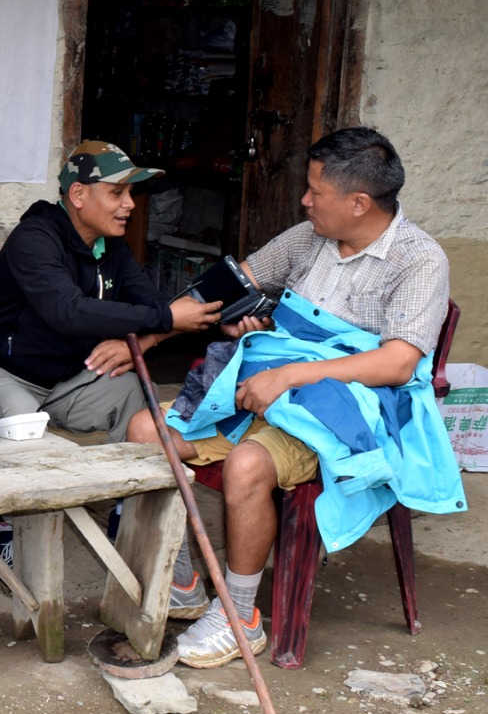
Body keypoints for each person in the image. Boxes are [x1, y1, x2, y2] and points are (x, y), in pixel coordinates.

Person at [127, 127, 452, 668]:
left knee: (248, 465)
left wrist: (292, 373)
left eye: (315, 191)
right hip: (266, 390)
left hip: (339, 413)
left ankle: (239, 615)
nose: (304, 200)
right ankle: (181, 582)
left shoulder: (419, 260)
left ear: (359, 202)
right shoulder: (308, 239)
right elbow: (234, 283)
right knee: (145, 430)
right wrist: (152, 335)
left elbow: (398, 363)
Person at [0, 141, 222, 562]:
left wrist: (157, 330)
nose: (130, 204)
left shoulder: (111, 248)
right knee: (26, 427)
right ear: (78, 194)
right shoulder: (35, 238)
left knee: (133, 391)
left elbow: (153, 304)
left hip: (68, 378)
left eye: (130, 193)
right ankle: (2, 524)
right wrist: (165, 319)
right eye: (117, 193)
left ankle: (128, 509)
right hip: (0, 372)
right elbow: (68, 311)